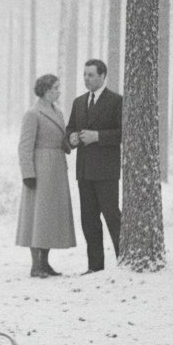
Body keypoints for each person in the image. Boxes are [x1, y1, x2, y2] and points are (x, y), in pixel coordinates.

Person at [65, 59, 123, 273]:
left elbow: (122, 133)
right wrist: (70, 138)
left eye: (91, 75)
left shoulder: (116, 101)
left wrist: (97, 136)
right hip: (84, 172)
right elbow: (70, 128)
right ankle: (95, 267)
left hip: (106, 172)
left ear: (102, 76)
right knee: (89, 221)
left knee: (112, 217)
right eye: (85, 75)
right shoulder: (79, 102)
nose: (86, 79)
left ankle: (123, 261)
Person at [16, 74, 75, 277]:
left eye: (58, 88)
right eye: (55, 88)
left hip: (57, 170)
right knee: (37, 217)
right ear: (45, 90)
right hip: (40, 170)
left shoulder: (57, 112)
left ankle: (45, 262)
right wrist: (28, 173)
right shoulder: (33, 113)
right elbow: (25, 146)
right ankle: (36, 265)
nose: (58, 92)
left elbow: (62, 140)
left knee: (49, 218)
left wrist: (71, 142)